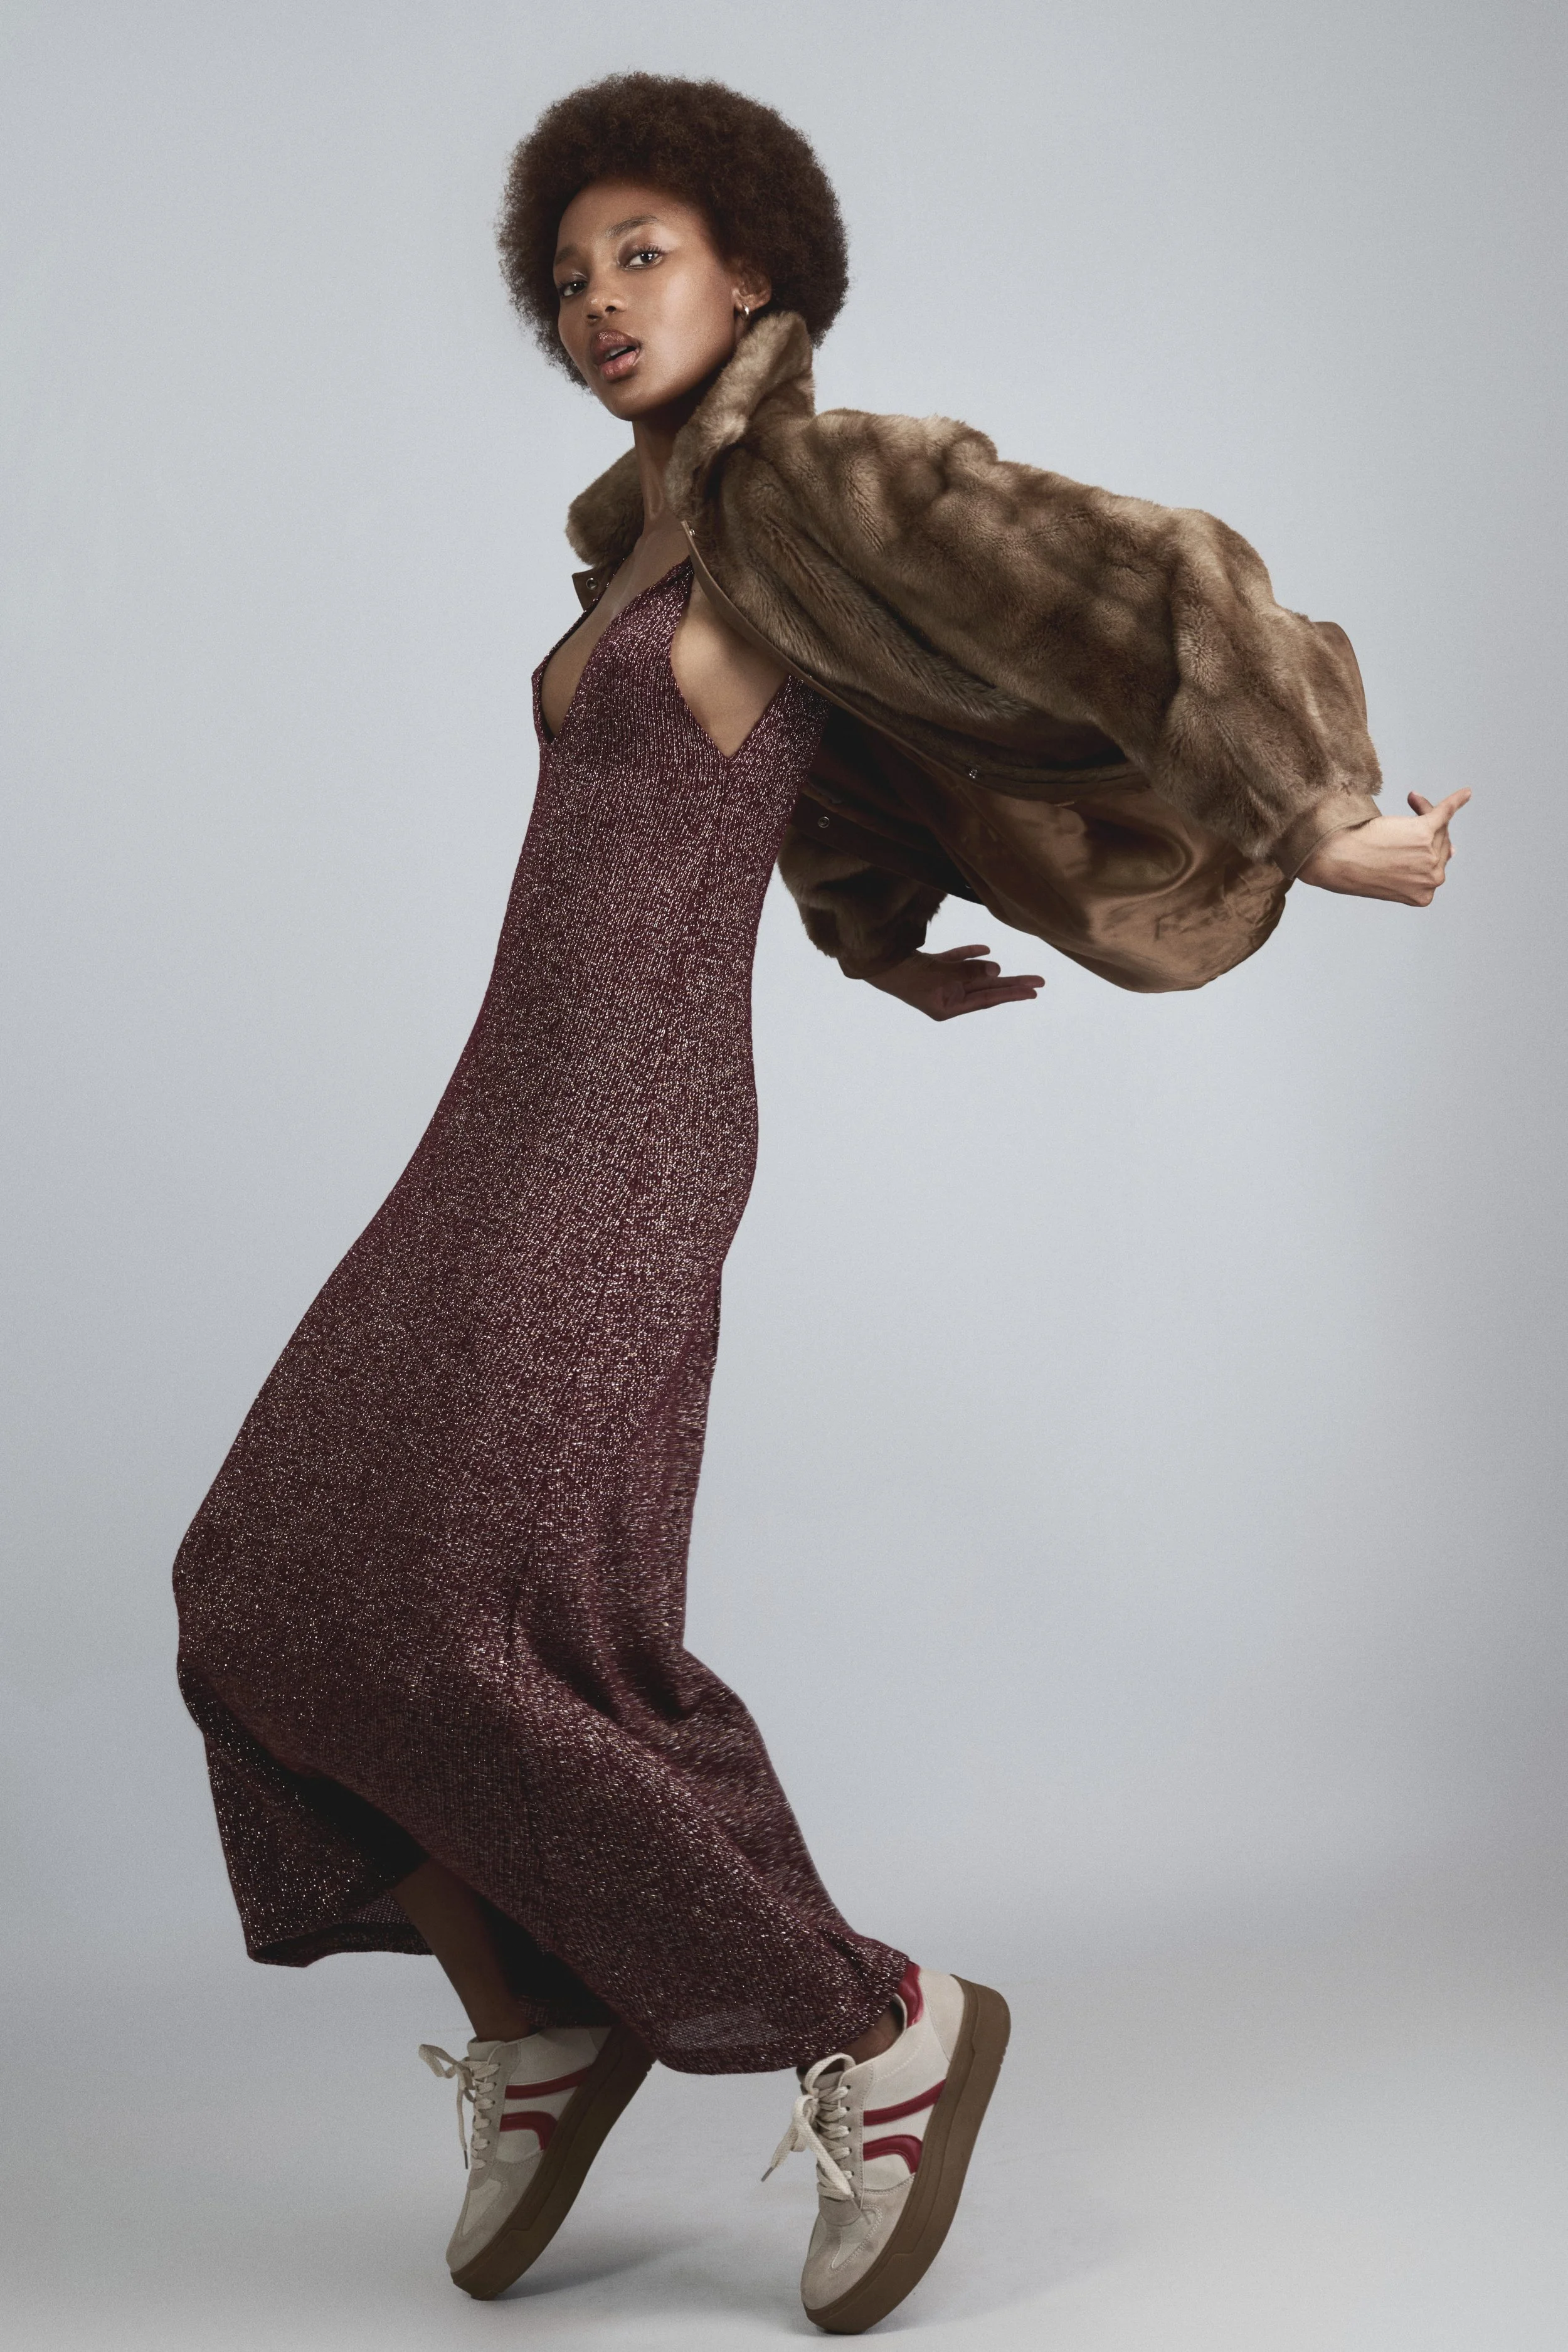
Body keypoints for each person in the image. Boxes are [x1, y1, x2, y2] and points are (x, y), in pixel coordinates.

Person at [172, 72, 1468, 2335]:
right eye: (569, 273)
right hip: (504, 1106)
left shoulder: (815, 483)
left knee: (487, 1614)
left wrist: (1315, 817)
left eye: (642, 250)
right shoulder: (653, 539)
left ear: (755, 261)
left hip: (631, 1124)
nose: (599, 299)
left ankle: (876, 2031)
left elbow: (1140, 579)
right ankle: (547, 2025)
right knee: (266, 1577)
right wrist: (881, 934)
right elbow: (827, 759)